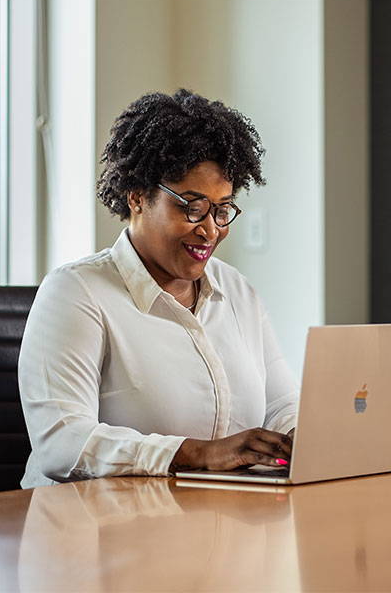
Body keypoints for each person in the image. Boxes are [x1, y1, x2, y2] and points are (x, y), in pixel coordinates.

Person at [18, 89, 299, 487]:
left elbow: (282, 401)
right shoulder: (76, 293)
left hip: (200, 524)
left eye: (222, 209)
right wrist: (196, 453)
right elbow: (61, 442)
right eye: (192, 206)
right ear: (137, 197)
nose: (211, 229)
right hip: (86, 531)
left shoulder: (236, 291)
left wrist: (297, 435)